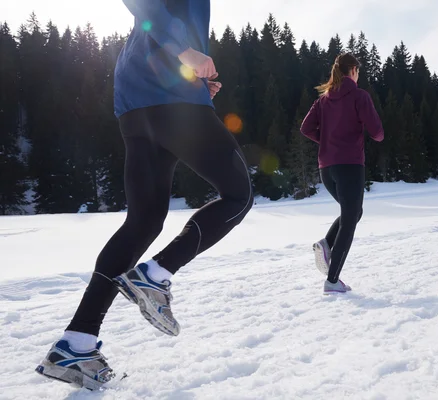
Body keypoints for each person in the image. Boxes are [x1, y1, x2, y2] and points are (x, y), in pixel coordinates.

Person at [35, 0, 253, 390]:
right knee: (238, 195)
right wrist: (183, 52)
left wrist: (193, 77)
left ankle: (76, 342)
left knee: (143, 223)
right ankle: (156, 275)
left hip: (138, 105)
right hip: (171, 101)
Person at [300, 53, 384, 295]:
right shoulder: (359, 96)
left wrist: (327, 141)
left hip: (326, 168)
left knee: (353, 213)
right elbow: (377, 132)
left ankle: (326, 243)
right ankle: (332, 281)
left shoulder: (323, 100)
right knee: (350, 219)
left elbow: (306, 128)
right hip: (350, 166)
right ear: (354, 70)